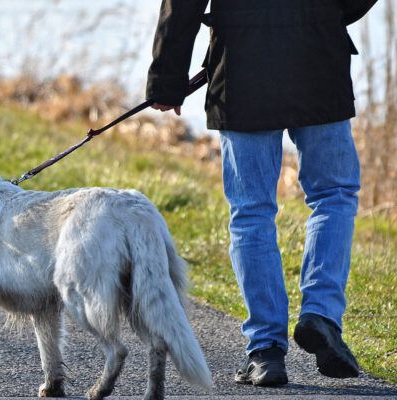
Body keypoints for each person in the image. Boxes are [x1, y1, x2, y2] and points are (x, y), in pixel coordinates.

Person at [146, 0, 377, 387]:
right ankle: (320, 314)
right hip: (317, 54)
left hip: (242, 65)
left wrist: (167, 79)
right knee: (334, 195)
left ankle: (266, 351)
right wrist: (326, 13)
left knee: (251, 210)